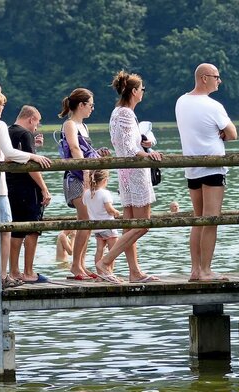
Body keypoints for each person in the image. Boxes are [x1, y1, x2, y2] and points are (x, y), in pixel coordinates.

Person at [0, 90, 51, 289]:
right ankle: (2, 275)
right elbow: (8, 152)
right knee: (5, 229)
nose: (2, 109)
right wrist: (33, 156)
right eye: (1, 106)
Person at [96, 71, 163, 283]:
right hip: (134, 172)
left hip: (125, 173)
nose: (143, 92)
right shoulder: (125, 114)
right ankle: (106, 261)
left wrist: (143, 144)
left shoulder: (118, 112)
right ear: (134, 91)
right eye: (142, 89)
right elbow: (126, 148)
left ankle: (134, 271)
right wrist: (147, 154)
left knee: (130, 225)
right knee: (142, 224)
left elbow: (127, 143)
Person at [175, 63, 238, 282]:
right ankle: (206, 270)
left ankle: (195, 269)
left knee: (198, 219)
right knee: (211, 220)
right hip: (212, 165)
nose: (219, 80)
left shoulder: (181, 101)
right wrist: (221, 133)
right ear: (204, 78)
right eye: (216, 77)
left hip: (191, 167)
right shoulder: (213, 105)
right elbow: (232, 134)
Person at [59, 88, 107, 281]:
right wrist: (86, 170)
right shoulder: (70, 124)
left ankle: (81, 264)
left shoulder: (83, 126)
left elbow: (86, 149)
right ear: (81, 105)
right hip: (76, 178)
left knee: (87, 222)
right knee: (85, 220)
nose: (92, 109)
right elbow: (74, 148)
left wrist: (98, 153)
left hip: (87, 178)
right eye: (91, 105)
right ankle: (75, 266)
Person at [7, 105, 51, 283]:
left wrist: (35, 146)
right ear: (31, 119)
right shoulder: (25, 134)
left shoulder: (8, 131)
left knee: (16, 230)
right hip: (27, 188)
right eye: (37, 123)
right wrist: (44, 188)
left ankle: (14, 271)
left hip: (10, 186)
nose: (37, 127)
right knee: (33, 229)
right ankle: (28, 272)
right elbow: (32, 167)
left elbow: (18, 156)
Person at [83, 170, 121, 283]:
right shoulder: (105, 193)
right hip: (108, 226)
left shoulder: (87, 193)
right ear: (105, 180)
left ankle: (100, 275)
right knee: (112, 251)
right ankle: (109, 273)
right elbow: (109, 210)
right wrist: (116, 212)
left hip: (97, 228)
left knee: (99, 250)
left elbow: (86, 205)